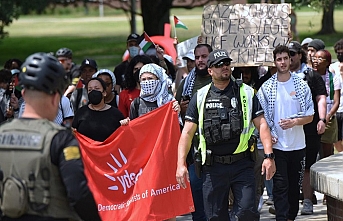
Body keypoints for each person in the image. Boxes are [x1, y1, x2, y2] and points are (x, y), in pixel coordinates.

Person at [176, 49, 276, 221]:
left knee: (247, 213)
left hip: (242, 164)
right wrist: (180, 164)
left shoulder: (247, 92)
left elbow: (262, 124)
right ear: (210, 70)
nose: (225, 67)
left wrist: (269, 156)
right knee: (215, 216)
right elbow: (187, 132)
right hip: (213, 166)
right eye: (219, 64)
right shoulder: (200, 97)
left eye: (227, 64)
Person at [0, 52, 100, 221]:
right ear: (55, 98)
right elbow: (78, 193)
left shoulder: (2, 134)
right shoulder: (61, 139)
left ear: (23, 94)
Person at [257, 45, 314, 221]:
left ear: (291, 60)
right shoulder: (266, 88)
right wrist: (268, 135)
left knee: (293, 189)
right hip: (277, 145)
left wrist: (295, 122)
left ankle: (290, 217)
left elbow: (310, 116)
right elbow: (260, 117)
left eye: (285, 58)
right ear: (274, 62)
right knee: (280, 187)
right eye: (279, 59)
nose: (282, 62)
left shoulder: (301, 85)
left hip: (298, 145)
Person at [175, 43, 213, 221]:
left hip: (218, 147)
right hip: (195, 150)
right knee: (196, 191)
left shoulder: (220, 80)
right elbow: (174, 112)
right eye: (197, 57)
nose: (200, 61)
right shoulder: (187, 83)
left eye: (204, 56)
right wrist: (182, 111)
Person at [288, 41, 327, 215]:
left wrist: (323, 119)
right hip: (288, 129)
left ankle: (307, 201)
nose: (289, 58)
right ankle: (288, 202)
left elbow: (321, 99)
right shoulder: (280, 77)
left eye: (293, 54)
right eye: (286, 55)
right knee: (288, 166)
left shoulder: (312, 75)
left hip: (310, 128)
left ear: (300, 55)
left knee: (307, 166)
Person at [312, 50, 340, 179]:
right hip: (312, 119)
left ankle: (326, 192)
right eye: (315, 58)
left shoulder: (333, 78)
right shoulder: (309, 76)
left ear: (328, 62)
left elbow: (336, 101)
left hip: (328, 119)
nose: (316, 61)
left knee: (326, 155)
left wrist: (328, 116)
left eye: (320, 59)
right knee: (311, 154)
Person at [72, 77, 125, 142]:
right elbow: (73, 132)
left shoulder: (116, 114)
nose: (93, 92)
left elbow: (123, 136)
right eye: (90, 90)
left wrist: (125, 124)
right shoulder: (81, 112)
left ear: (104, 93)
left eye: (97, 89)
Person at [329, 39, 343, 152]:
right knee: (336, 139)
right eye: (338, 52)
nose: (340, 55)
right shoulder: (332, 67)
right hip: (336, 110)